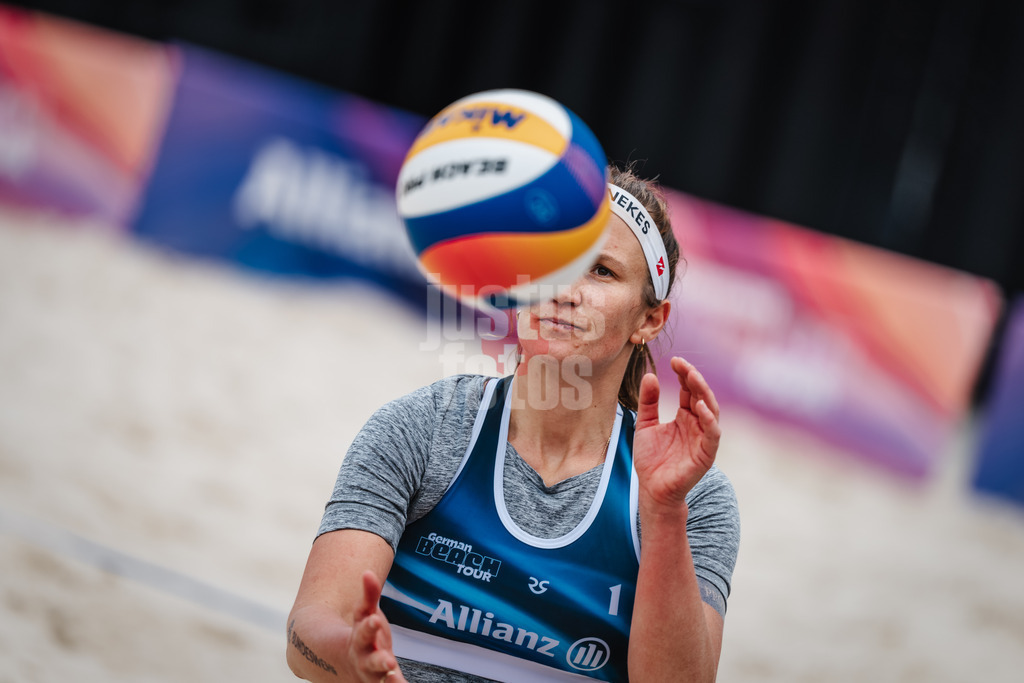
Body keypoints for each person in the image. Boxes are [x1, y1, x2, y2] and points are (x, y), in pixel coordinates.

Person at [286, 164, 740, 683]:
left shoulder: (693, 499)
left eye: (602, 271)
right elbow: (306, 632)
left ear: (648, 320)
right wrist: (351, 657)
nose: (567, 288)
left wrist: (662, 512)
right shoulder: (419, 429)